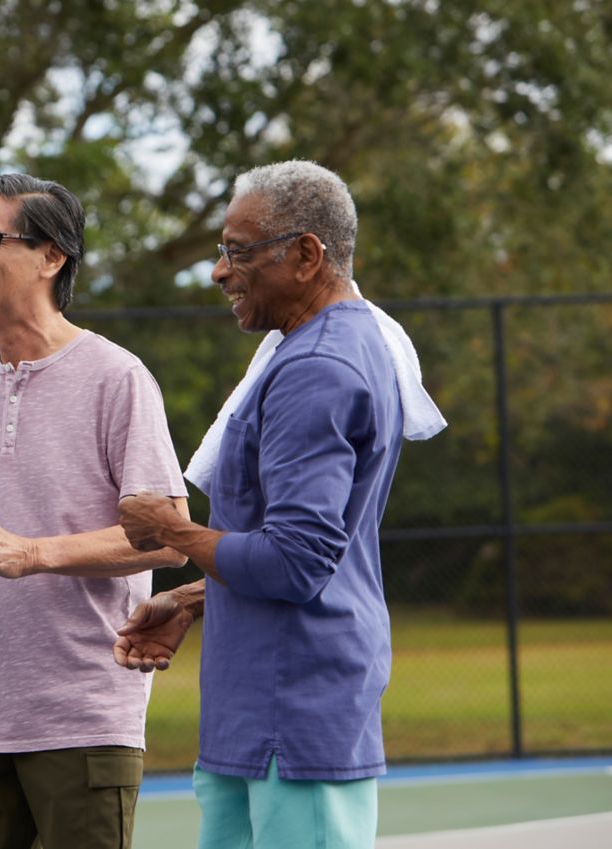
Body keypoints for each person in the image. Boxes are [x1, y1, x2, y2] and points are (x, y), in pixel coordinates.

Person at [115, 160, 446, 849]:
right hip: (258, 717)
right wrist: (191, 601)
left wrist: (169, 528)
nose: (218, 272)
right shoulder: (310, 350)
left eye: (237, 252)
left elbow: (294, 563)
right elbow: (302, 547)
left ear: (305, 255)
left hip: (294, 718)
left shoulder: (317, 365)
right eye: (219, 250)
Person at [0, 173, 191, 849]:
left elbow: (169, 541)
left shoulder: (117, 377)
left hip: (84, 720)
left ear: (51, 256)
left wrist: (32, 553)